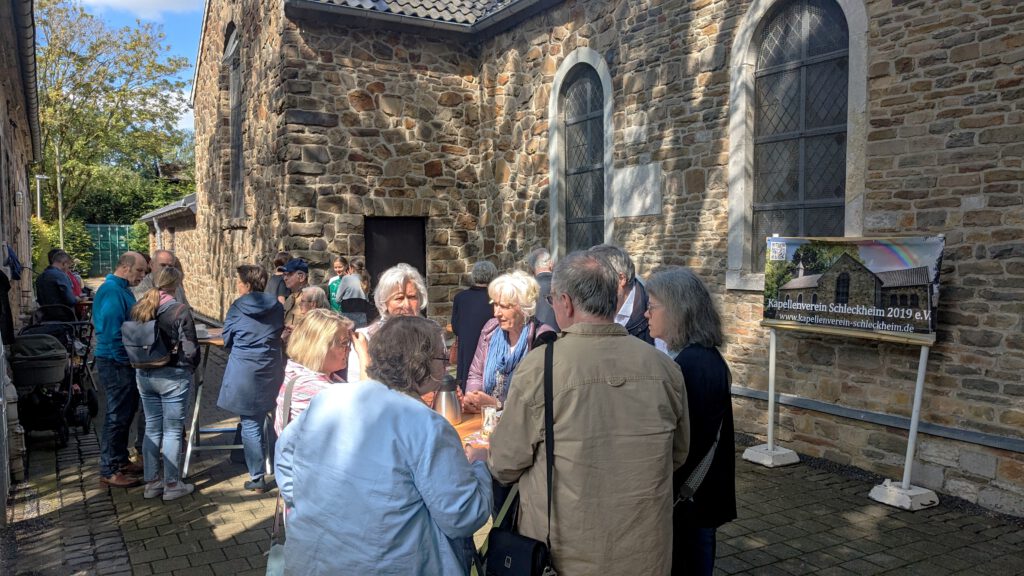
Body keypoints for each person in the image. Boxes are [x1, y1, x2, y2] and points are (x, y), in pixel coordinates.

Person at [486, 251, 689, 575]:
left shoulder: (541, 366)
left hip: (564, 557)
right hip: (645, 554)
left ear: (565, 303)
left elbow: (504, 463)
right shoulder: (664, 367)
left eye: (551, 299)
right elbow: (677, 455)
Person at [275, 315, 492, 575]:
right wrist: (480, 464)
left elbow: (285, 464)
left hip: (315, 559)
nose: (446, 368)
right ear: (420, 364)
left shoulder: (328, 399)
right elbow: (463, 516)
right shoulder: (426, 425)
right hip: (387, 564)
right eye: (442, 360)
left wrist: (322, 506)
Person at [645, 266, 736, 576]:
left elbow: (685, 442)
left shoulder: (694, 363)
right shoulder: (695, 357)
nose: (646, 314)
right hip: (695, 497)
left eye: (653, 306)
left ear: (678, 312)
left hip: (690, 499)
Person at [131, 267, 200, 501]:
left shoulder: (140, 306)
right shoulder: (179, 310)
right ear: (176, 284)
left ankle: (151, 483)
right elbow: (190, 347)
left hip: (144, 374)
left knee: (152, 428)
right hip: (172, 375)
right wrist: (190, 367)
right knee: (171, 431)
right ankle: (172, 485)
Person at [217, 264, 285, 493]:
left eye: (238, 281)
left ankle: (257, 478)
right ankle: (279, 467)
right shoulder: (276, 305)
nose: (237, 285)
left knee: (251, 423)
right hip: (271, 366)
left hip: (245, 370)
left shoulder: (237, 307)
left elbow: (227, 338)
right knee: (276, 418)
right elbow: (278, 331)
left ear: (246, 284)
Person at [94, 251, 149, 487]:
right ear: (125, 268)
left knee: (125, 414)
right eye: (140, 270)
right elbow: (113, 333)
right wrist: (125, 361)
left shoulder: (122, 289)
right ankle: (109, 469)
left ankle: (120, 459)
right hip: (115, 362)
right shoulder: (111, 291)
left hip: (121, 361)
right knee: (116, 417)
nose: (143, 275)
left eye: (145, 271)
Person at [463, 270, 553, 412]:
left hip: (521, 423)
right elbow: (475, 374)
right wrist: (472, 397)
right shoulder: (490, 330)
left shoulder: (542, 337)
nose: (496, 313)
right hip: (485, 418)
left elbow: (540, 395)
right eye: (495, 304)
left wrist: (498, 404)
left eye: (504, 306)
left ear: (524, 308)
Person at [274, 309, 356, 435]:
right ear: (320, 348)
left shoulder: (296, 372)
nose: (349, 349)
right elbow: (366, 418)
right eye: (344, 343)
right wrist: (365, 357)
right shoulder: (311, 388)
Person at [346, 263, 427, 381]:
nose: (407, 305)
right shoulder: (365, 339)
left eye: (412, 297)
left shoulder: (432, 335)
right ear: (384, 303)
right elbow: (355, 386)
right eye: (399, 298)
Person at [589, 243, 654, 344]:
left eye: (596, 279)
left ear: (621, 279)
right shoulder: (586, 305)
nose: (589, 286)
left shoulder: (654, 314)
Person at [450, 260, 497, 387]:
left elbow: (455, 327)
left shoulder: (460, 297)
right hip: (489, 349)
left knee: (465, 388)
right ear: (493, 276)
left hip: (467, 350)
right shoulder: (495, 299)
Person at [35, 249, 79, 320]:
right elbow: (70, 300)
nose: (68, 269)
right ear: (64, 263)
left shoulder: (40, 277)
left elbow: (40, 299)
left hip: (45, 317)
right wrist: (77, 299)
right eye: (68, 266)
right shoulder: (61, 276)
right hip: (64, 318)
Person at [527, 247, 558, 331]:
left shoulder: (526, 288)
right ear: (551, 264)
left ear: (531, 268)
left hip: (535, 339)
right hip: (559, 338)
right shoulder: (562, 285)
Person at [337, 256, 370, 326]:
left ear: (351, 268)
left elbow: (337, 299)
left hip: (348, 314)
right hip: (362, 314)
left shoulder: (346, 278)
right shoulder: (365, 279)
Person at [280, 258, 310, 331]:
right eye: (284, 275)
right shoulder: (290, 297)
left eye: (289, 274)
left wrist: (297, 330)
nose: (285, 278)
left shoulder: (311, 298)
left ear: (301, 277)